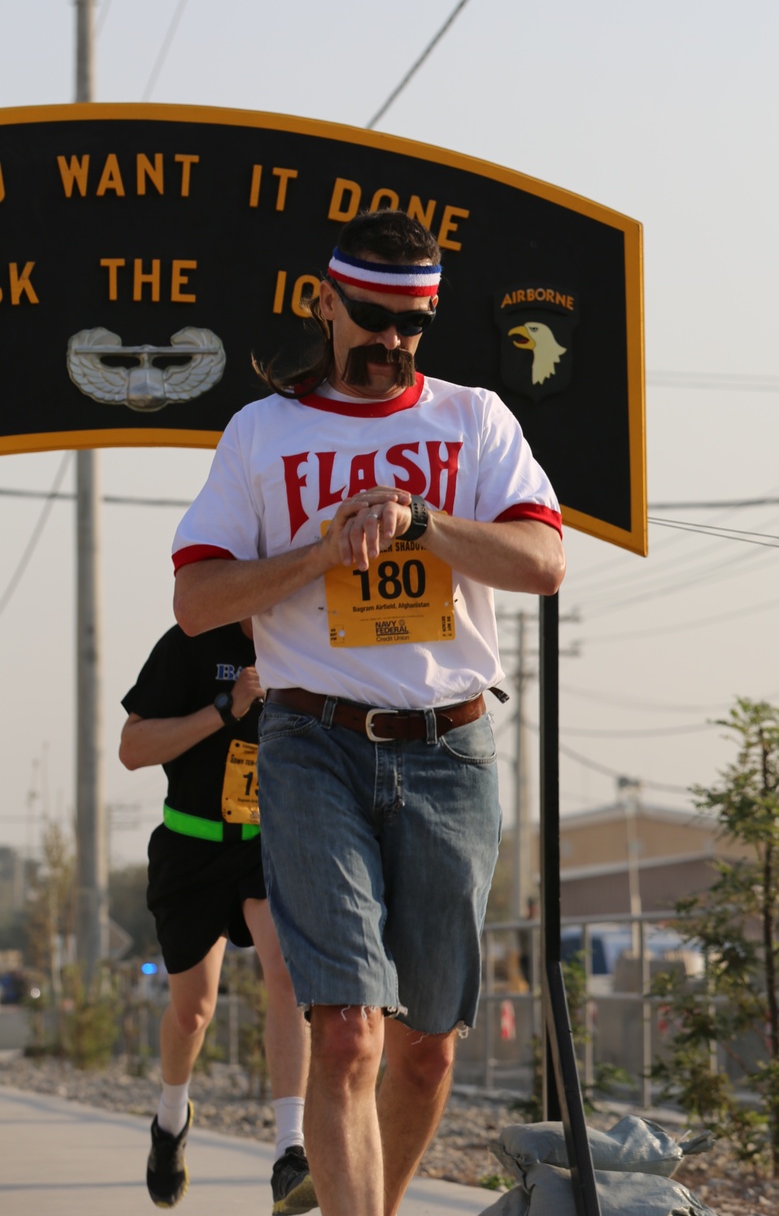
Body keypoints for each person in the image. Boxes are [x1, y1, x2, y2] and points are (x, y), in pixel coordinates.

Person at [171, 210, 566, 1216]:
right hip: (311, 746)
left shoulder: (473, 421)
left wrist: (426, 522)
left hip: (451, 748)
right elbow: (197, 602)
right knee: (348, 1031)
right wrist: (318, 548)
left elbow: (543, 561)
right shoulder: (264, 433)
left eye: (412, 325)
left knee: (427, 1048)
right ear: (324, 302)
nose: (391, 341)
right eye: (373, 318)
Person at [120, 621, 314, 1214]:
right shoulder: (190, 643)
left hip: (269, 843)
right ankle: (170, 1120)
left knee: (286, 975)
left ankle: (290, 1151)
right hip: (192, 847)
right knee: (193, 1012)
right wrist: (225, 709)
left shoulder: (312, 639)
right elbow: (132, 749)